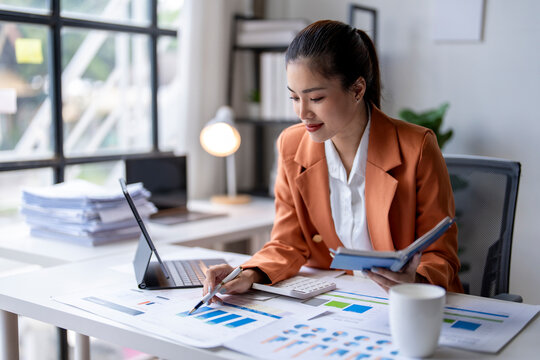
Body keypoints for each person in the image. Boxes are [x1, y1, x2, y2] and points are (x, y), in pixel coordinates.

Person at [203, 19, 463, 301]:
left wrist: (416, 279)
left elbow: (440, 254)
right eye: (294, 97)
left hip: (408, 302)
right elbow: (288, 242)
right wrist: (247, 273)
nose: (302, 113)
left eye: (315, 98)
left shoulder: (417, 147)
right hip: (334, 301)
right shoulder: (292, 145)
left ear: (357, 90)